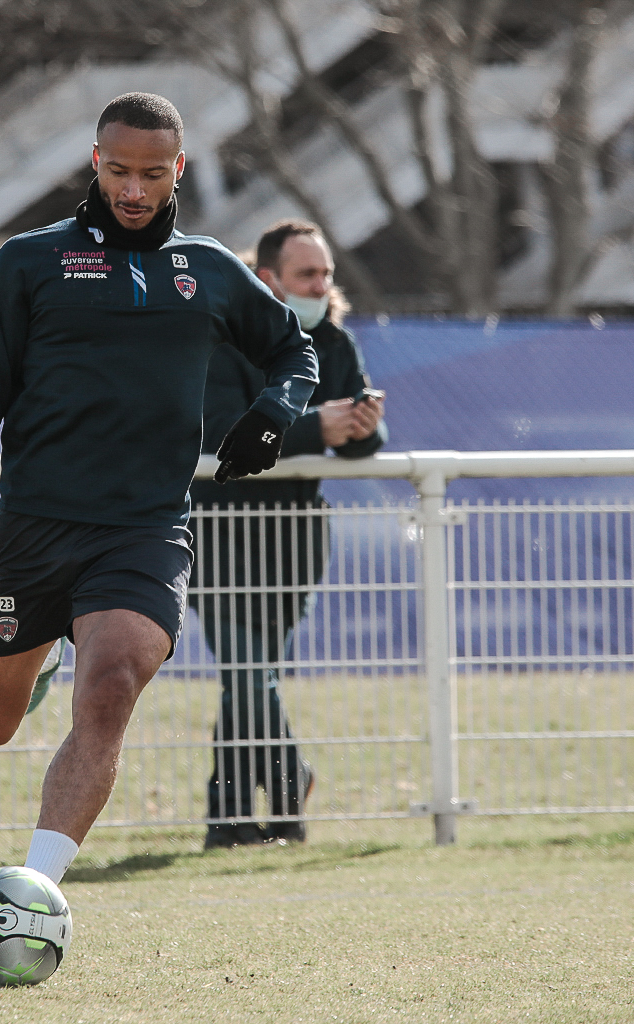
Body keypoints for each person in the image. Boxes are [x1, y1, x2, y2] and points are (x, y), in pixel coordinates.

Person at [0, 93, 318, 885]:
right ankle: (49, 654)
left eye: (152, 174)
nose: (134, 190)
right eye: (119, 170)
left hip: (146, 530)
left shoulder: (209, 269)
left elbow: (295, 352)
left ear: (178, 171)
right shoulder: (30, 261)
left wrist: (272, 415)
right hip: (35, 527)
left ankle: (34, 891)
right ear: (96, 163)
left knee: (114, 684)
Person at [190, 219, 386, 848]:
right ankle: (290, 778)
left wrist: (363, 427)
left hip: (294, 535)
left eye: (327, 274)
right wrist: (314, 430)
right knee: (249, 673)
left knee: (250, 677)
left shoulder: (334, 341)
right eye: (308, 274)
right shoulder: (223, 338)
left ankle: (230, 817)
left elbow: (357, 443)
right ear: (268, 279)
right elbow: (221, 434)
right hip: (220, 530)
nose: (322, 285)